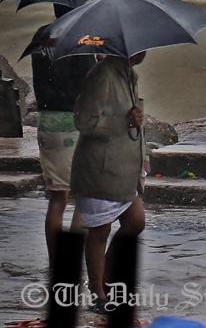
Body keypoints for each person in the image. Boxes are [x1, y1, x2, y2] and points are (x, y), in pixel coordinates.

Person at [71, 52, 147, 311]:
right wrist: (122, 121)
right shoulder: (101, 74)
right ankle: (98, 291)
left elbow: (130, 119)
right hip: (100, 166)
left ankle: (104, 276)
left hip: (124, 166)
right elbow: (83, 120)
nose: (146, 52)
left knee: (135, 221)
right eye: (141, 46)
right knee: (99, 230)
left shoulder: (128, 75)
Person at [29, 10, 98, 274]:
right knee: (84, 198)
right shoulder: (83, 40)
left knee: (56, 200)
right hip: (74, 124)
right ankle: (73, 261)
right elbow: (89, 85)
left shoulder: (42, 35)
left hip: (47, 123)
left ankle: (56, 261)